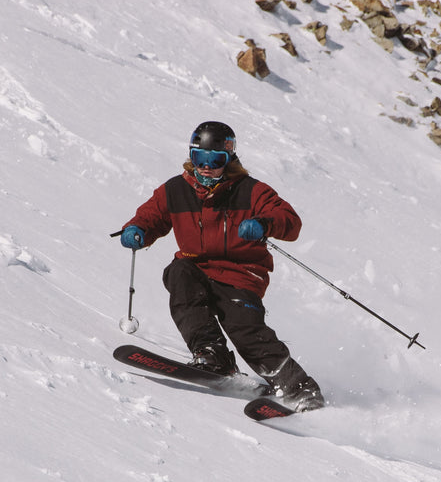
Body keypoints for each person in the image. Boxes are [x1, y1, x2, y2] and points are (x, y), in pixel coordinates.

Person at [118, 121, 325, 411]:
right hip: (196, 268)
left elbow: (291, 222)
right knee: (179, 272)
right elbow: (151, 216)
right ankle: (212, 355)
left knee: (245, 330)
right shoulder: (176, 190)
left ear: (229, 160)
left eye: (215, 160)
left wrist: (264, 223)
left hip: (241, 275)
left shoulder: (251, 191)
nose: (205, 167)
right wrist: (137, 229)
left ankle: (301, 392)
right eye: (199, 159)